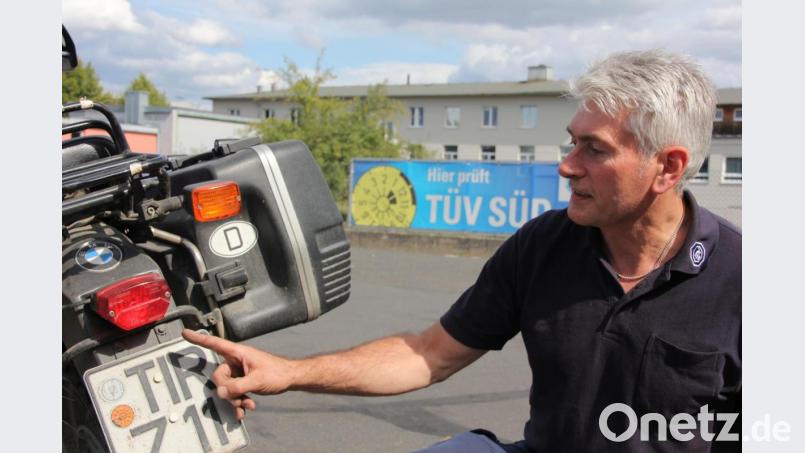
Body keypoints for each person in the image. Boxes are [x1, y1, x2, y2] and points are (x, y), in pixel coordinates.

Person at [183, 49, 741, 452]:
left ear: (666, 167)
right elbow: (429, 353)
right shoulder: (543, 246)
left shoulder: (747, 281)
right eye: (573, 142)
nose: (567, 165)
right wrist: (288, 371)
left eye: (595, 149)